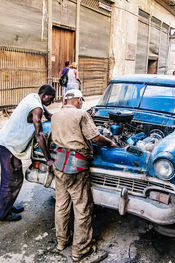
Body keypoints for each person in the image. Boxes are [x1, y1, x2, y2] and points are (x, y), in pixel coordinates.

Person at [50, 89, 116, 262]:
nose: (82, 103)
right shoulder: (81, 114)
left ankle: (62, 242)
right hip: (76, 167)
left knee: (61, 205)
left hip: (59, 165)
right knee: (82, 208)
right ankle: (81, 250)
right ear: (78, 100)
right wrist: (110, 142)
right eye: (81, 100)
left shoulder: (55, 116)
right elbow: (95, 138)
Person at [0, 84, 56, 222]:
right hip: (8, 145)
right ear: (43, 95)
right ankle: (2, 213)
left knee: (15, 178)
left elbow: (46, 111)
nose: (50, 102)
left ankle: (8, 206)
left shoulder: (33, 97)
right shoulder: (37, 108)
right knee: (11, 180)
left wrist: (53, 116)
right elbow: (39, 134)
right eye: (50, 99)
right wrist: (48, 159)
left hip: (9, 143)